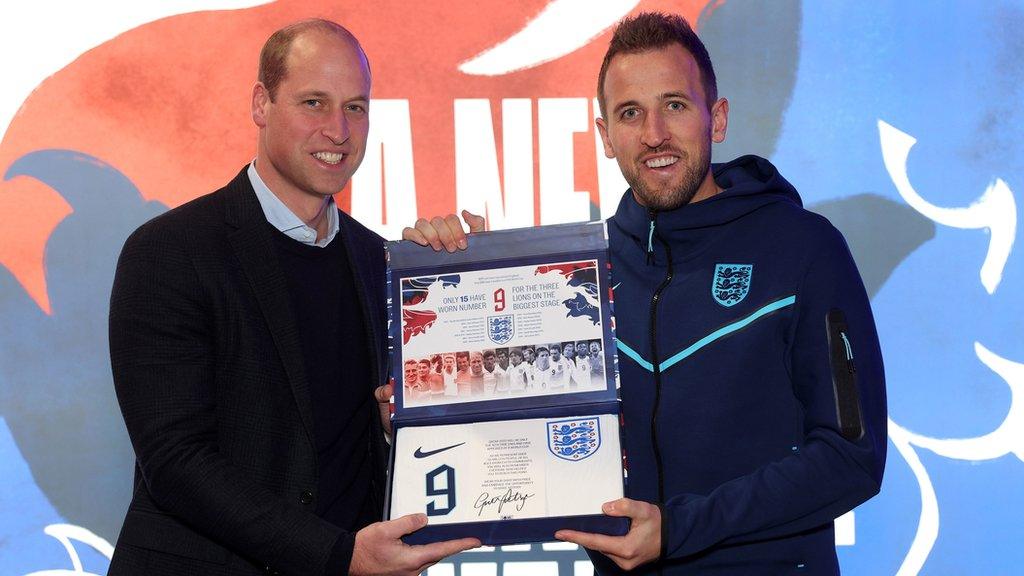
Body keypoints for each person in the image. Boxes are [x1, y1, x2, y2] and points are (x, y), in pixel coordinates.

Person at [404, 11, 886, 575]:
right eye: (631, 113)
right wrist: (454, 315)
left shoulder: (804, 249)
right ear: (606, 136)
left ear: (718, 118)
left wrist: (679, 529)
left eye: (675, 105)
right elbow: (525, 441)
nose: (654, 133)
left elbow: (851, 457)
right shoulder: (573, 276)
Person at [107, 19, 478, 576]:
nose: (338, 130)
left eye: (355, 108)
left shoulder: (386, 266)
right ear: (262, 103)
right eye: (313, 102)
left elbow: (412, 434)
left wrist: (466, 277)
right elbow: (177, 462)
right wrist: (337, 556)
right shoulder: (169, 252)